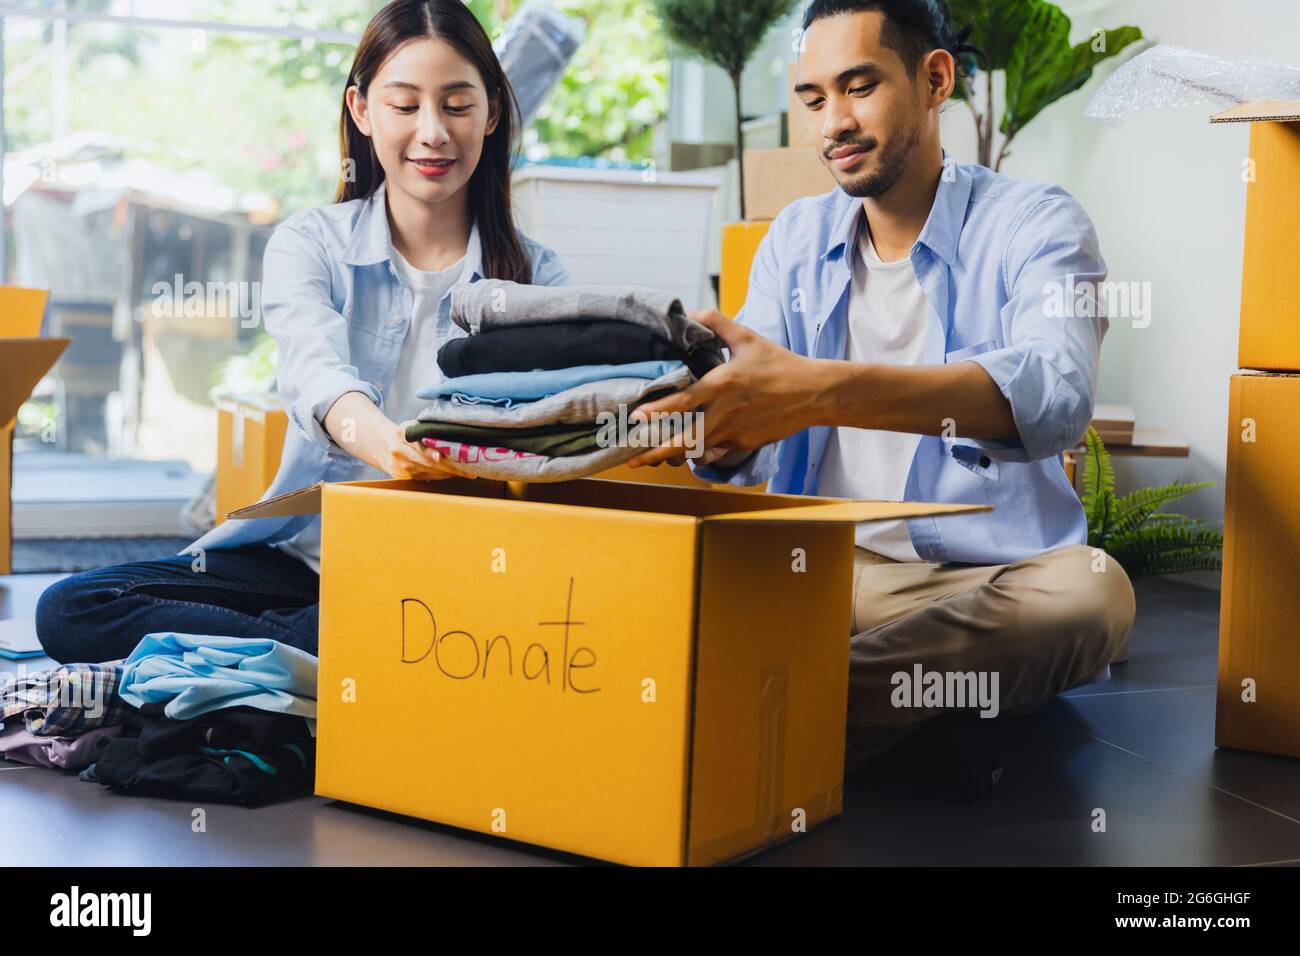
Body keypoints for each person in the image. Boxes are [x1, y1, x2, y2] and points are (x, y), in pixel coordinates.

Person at [626, 0, 1136, 769]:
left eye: (859, 87)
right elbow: (751, 445)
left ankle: (775, 705)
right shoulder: (793, 241)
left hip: (974, 581)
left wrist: (825, 391)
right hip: (821, 569)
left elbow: (1055, 394)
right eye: (813, 98)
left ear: (935, 80)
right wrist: (710, 426)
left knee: (1091, 594)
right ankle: (853, 708)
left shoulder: (1036, 224)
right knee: (647, 581)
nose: (833, 122)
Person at [36, 0, 570, 664]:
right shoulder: (310, 243)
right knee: (70, 610)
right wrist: (391, 445)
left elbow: (552, 430)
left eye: (456, 105)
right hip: (303, 566)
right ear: (362, 110)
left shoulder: (538, 276)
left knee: (393, 624)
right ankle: (339, 653)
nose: (432, 131)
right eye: (404, 105)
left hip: (449, 574)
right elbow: (315, 374)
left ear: (492, 112)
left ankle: (313, 661)